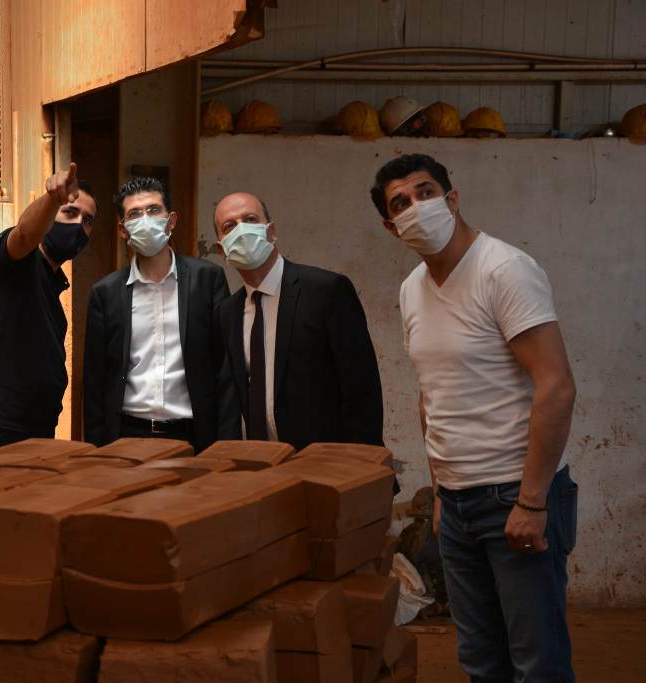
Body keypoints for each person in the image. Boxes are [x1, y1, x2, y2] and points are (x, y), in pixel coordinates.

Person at [371, 153, 577, 682]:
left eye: (425, 192)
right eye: (400, 203)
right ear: (392, 227)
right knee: (482, 662)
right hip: (458, 505)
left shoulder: (504, 270)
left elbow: (556, 386)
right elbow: (432, 397)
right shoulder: (411, 290)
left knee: (537, 664)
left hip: (515, 495)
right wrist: (441, 493)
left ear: (452, 198)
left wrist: (532, 501)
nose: (416, 206)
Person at [213, 192, 383, 449]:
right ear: (221, 248)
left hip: (328, 461)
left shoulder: (326, 291)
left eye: (250, 219)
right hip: (263, 460)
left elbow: (362, 391)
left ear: (271, 232)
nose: (242, 230)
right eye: (229, 226)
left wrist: (359, 463)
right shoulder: (228, 312)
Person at [0, 163, 96, 456]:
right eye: (70, 212)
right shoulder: (15, 258)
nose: (79, 225)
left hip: (32, 431)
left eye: (88, 220)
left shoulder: (52, 286)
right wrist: (52, 199)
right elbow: (25, 235)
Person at [83, 177, 238, 452]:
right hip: (127, 436)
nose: (145, 219)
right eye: (134, 214)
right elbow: (95, 382)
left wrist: (225, 447)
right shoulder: (105, 293)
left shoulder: (207, 280)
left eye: (154, 210)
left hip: (194, 436)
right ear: (123, 230)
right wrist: (97, 451)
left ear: (171, 220)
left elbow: (225, 369)